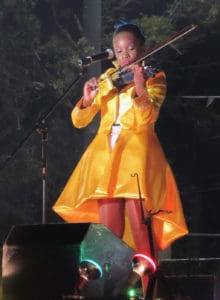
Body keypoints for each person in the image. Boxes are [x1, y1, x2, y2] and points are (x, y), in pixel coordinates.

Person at [52, 21, 188, 295]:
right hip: (106, 161)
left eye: (130, 48)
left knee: (142, 236)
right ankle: (103, 293)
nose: (124, 54)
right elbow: (79, 120)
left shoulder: (154, 76)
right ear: (112, 53)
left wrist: (139, 88)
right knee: (108, 236)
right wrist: (88, 99)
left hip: (137, 159)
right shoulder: (106, 81)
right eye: (118, 49)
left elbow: (146, 117)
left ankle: (151, 292)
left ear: (142, 49)